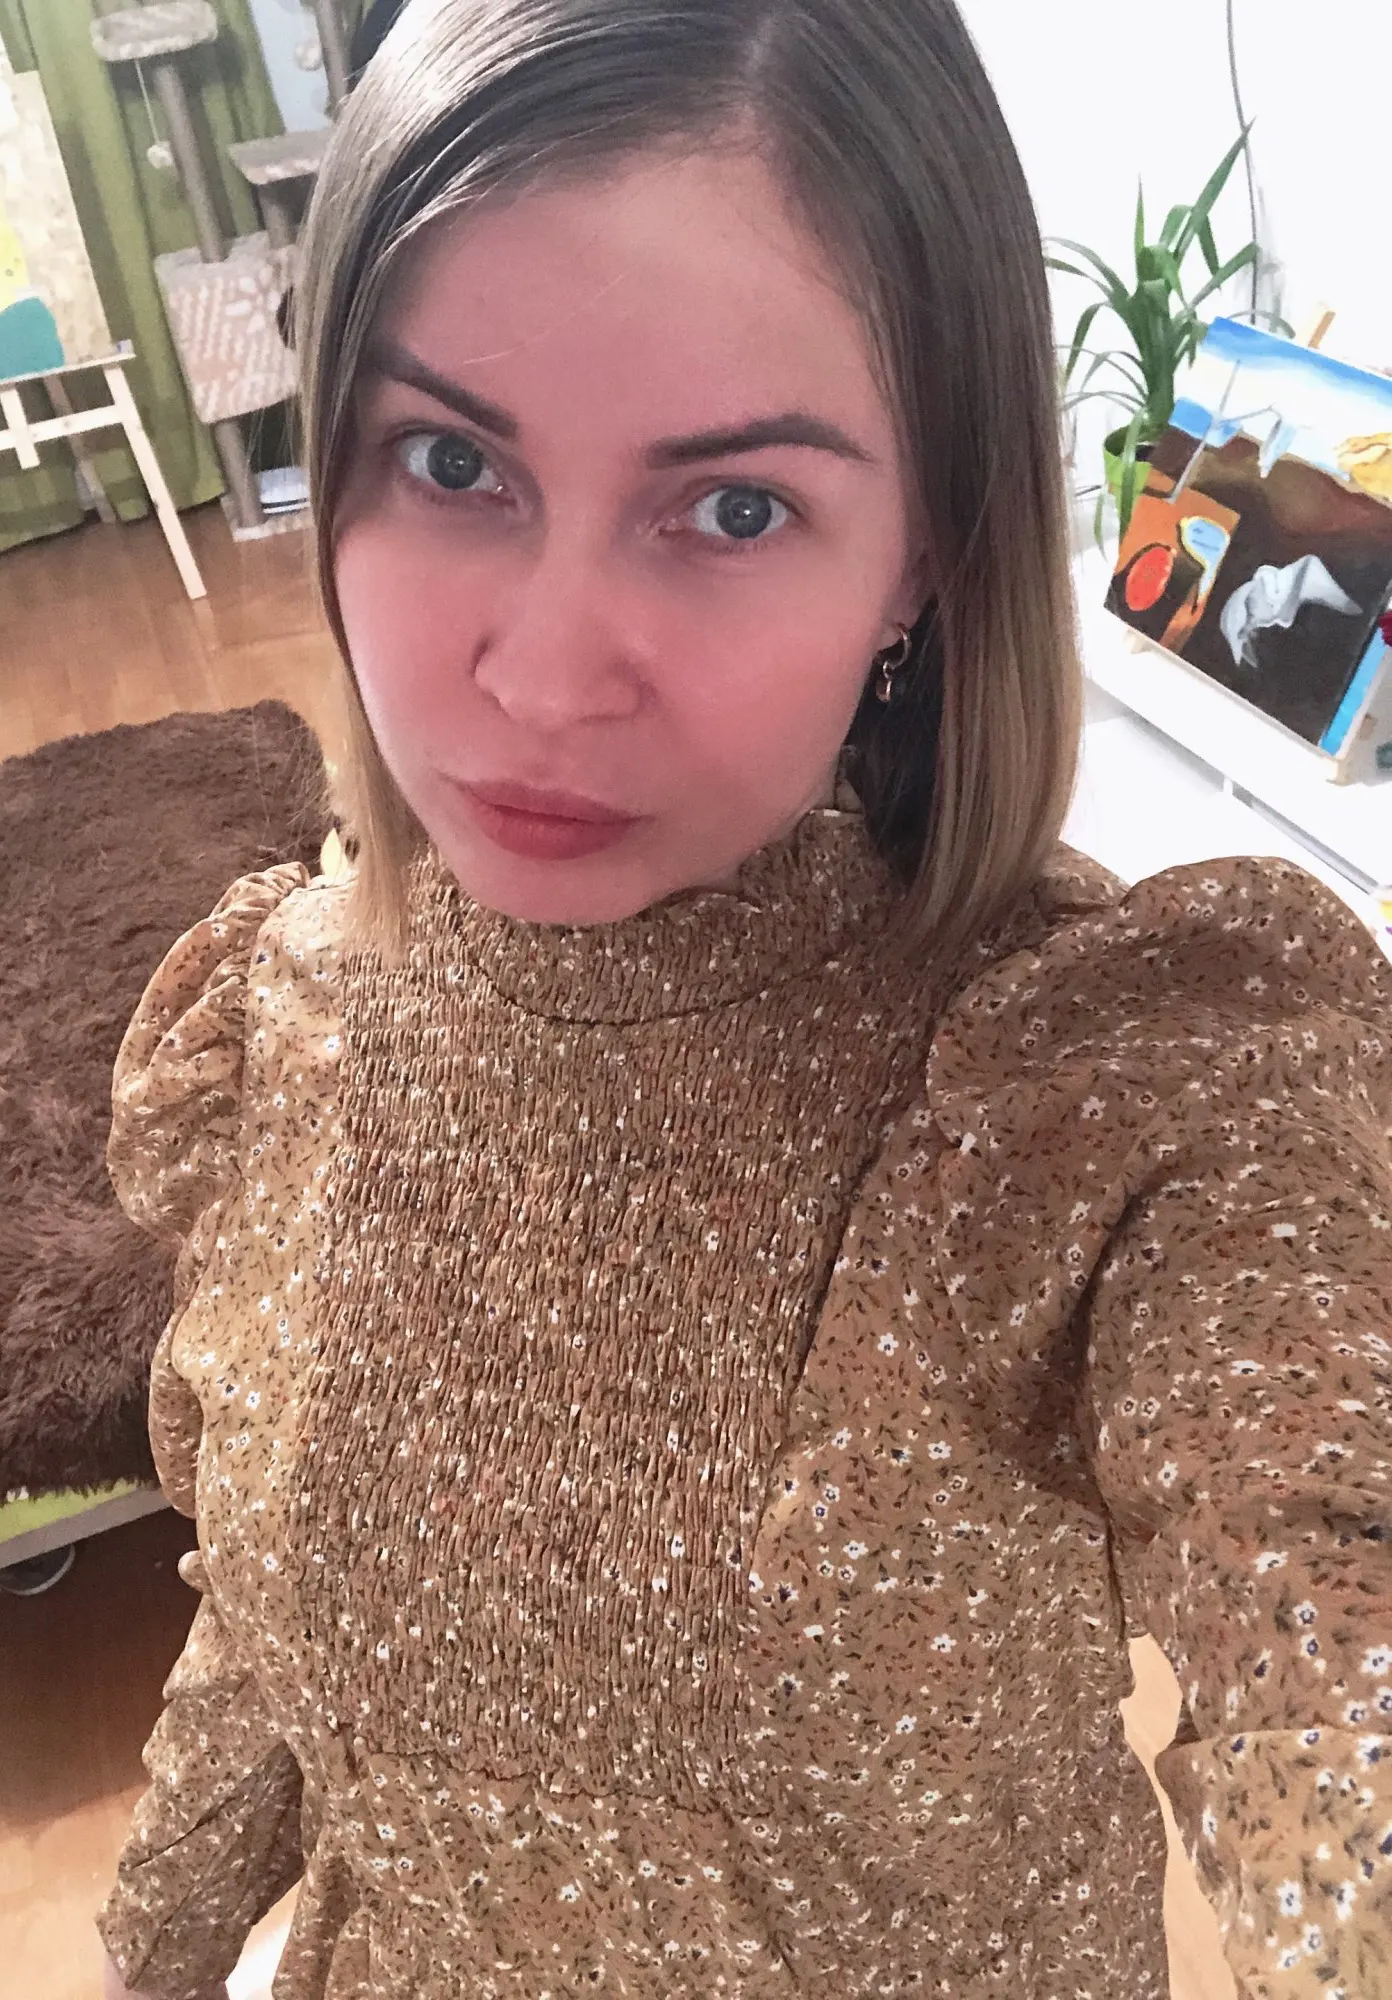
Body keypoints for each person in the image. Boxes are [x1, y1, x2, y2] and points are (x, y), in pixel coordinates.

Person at [97, 1, 1392, 1995]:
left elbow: (1323, 1629)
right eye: (451, 461)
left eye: (733, 507)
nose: (544, 676)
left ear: (925, 555)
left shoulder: (1096, 1089)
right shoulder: (288, 1021)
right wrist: (150, 1955)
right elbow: (276, 1626)